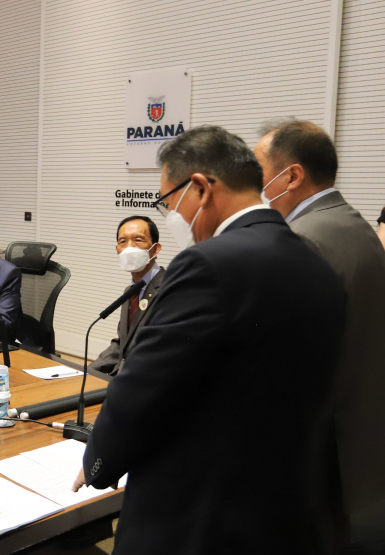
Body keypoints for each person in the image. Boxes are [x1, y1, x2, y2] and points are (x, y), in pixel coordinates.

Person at [73, 125, 344, 555]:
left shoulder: (208, 264)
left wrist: (98, 460)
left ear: (198, 187)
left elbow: (146, 385)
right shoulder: (317, 262)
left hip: (195, 516)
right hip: (282, 508)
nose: (172, 218)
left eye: (168, 204)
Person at [255, 118, 385, 550]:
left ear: (291, 175)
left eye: (259, 171)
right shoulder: (354, 224)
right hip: (353, 437)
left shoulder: (301, 239)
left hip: (312, 448)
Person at [87, 215, 164, 376]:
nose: (130, 247)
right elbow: (123, 343)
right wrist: (87, 373)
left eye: (138, 240)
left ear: (155, 249)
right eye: (123, 241)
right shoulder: (130, 290)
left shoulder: (169, 289)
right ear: (117, 249)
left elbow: (164, 352)